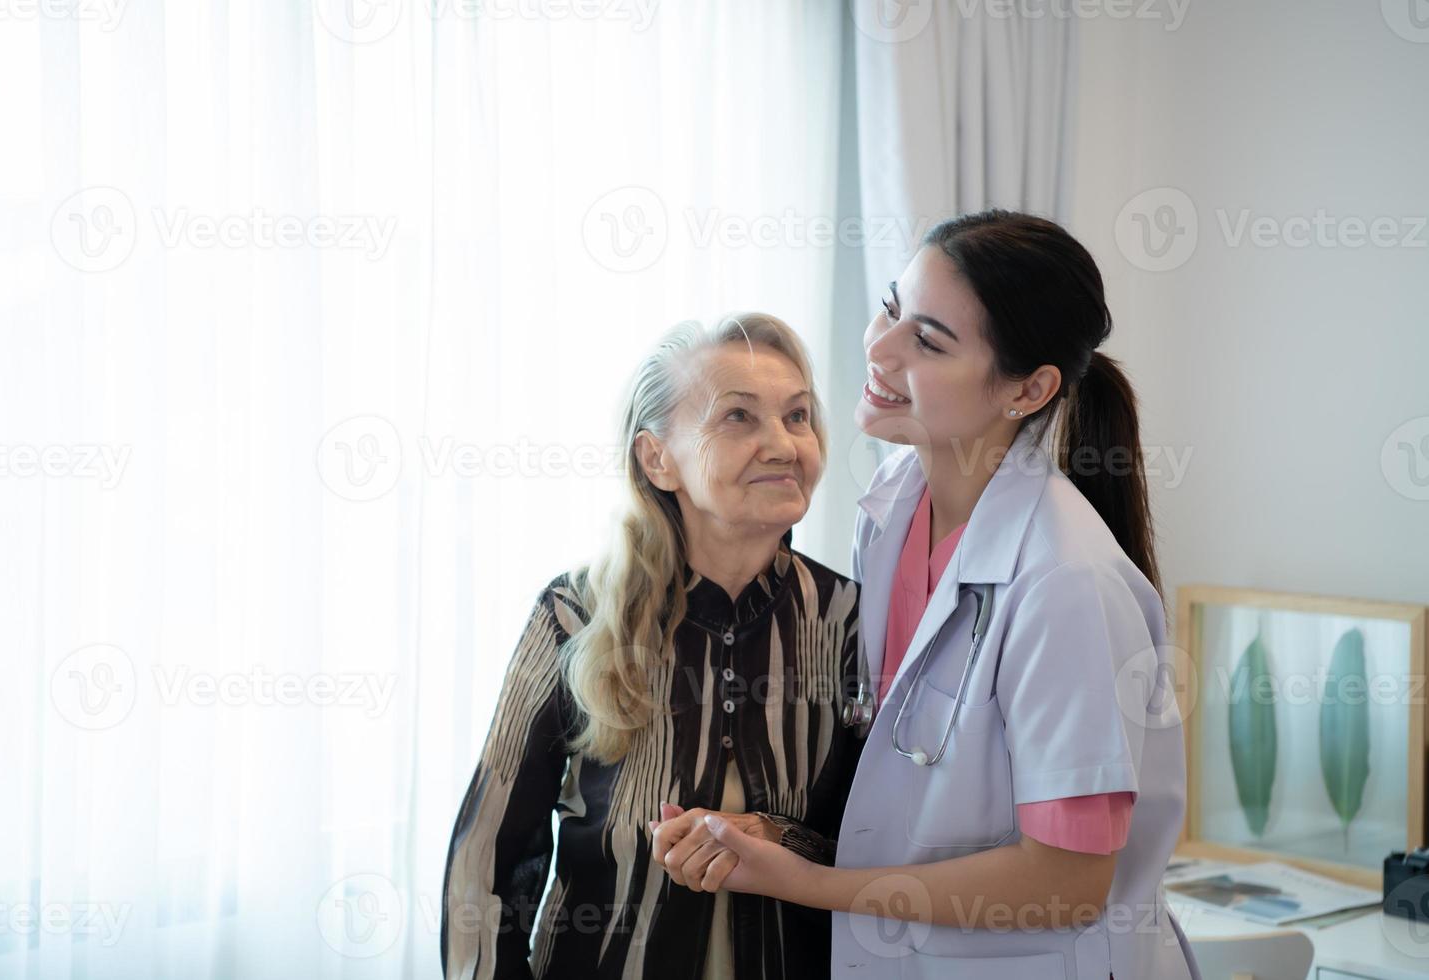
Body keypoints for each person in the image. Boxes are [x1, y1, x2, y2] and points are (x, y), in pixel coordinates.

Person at [651, 211, 1202, 979]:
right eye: (891, 306)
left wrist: (814, 884)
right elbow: (916, 795)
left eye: (929, 341)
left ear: (1028, 388)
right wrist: (776, 839)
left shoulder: (1067, 582)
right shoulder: (893, 506)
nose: (879, 347)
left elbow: (1070, 881)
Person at [441, 313, 865, 979]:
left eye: (798, 416)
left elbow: (889, 853)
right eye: (739, 418)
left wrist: (779, 839)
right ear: (656, 457)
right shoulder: (573, 614)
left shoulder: (851, 620)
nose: (783, 444)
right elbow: (486, 859)